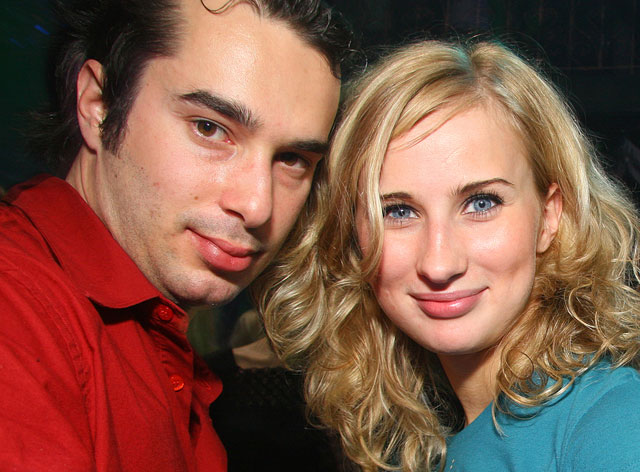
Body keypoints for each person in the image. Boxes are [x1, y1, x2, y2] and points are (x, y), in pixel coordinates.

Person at [0, 0, 353, 470]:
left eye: (292, 159)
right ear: (98, 105)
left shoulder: (149, 332)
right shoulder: (19, 310)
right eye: (210, 129)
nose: (257, 206)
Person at [257, 39, 640, 471]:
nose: (438, 264)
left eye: (481, 203)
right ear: (352, 233)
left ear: (549, 216)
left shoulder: (611, 424)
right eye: (398, 211)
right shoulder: (463, 436)